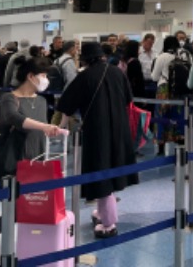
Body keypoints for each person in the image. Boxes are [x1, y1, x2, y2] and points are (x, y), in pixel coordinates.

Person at [0, 58, 67, 266]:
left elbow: (42, 128)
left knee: (31, 206)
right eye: (43, 75)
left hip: (37, 157)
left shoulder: (41, 100)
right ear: (30, 76)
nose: (46, 80)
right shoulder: (9, 98)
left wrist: (53, 128)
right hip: (14, 158)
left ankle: (21, 247)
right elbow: (14, 118)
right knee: (17, 206)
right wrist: (44, 127)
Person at [58, 43, 137, 238]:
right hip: (120, 129)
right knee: (112, 169)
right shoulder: (118, 73)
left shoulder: (85, 76)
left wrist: (61, 126)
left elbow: (67, 103)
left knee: (101, 172)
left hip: (97, 131)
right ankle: (102, 212)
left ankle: (109, 224)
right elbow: (129, 99)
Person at [123, 40, 146, 105]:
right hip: (134, 92)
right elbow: (139, 81)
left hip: (124, 90)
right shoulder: (135, 62)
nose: (140, 51)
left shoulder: (123, 60)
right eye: (138, 48)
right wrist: (143, 97)